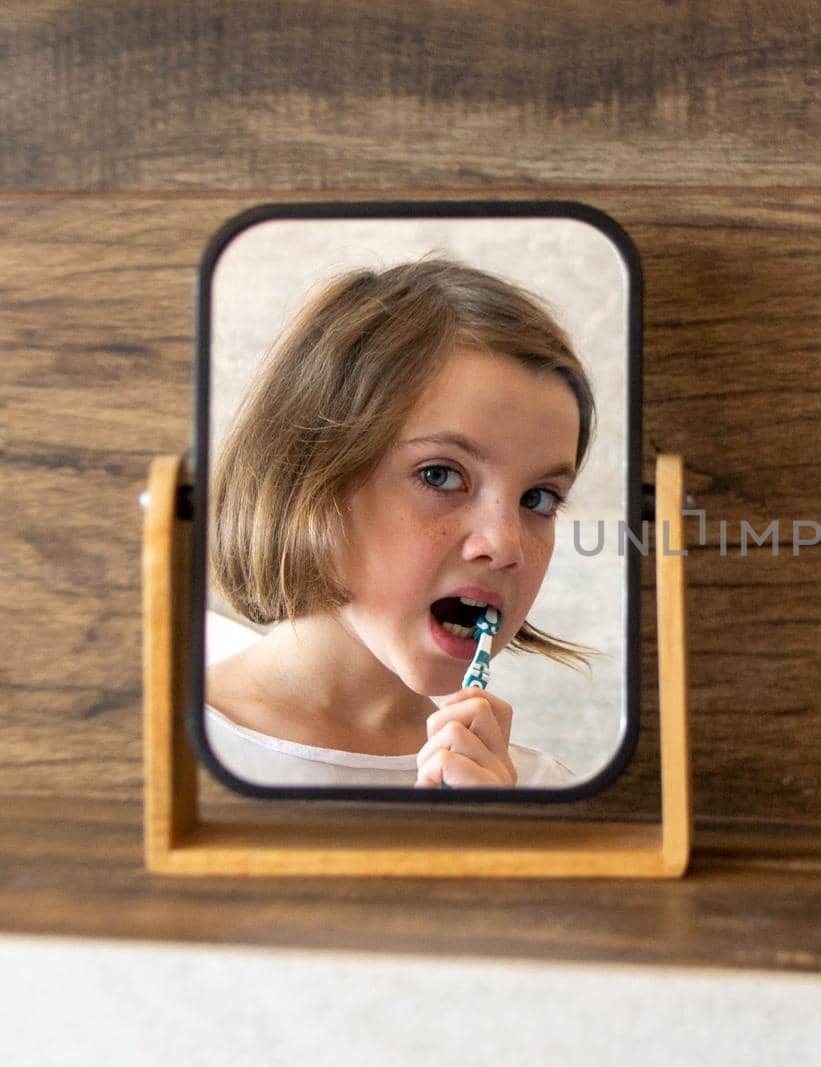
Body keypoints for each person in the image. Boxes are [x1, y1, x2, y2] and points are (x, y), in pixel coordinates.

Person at [205, 258, 594, 789]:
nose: (507, 545)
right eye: (440, 475)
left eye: (539, 499)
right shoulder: (152, 744)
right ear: (314, 475)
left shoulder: (538, 792)